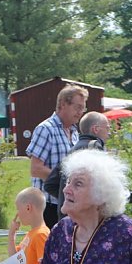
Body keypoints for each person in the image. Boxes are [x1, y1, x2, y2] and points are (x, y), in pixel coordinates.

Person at [27, 84, 88, 227]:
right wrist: (64, 183)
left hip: (66, 203)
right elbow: (36, 169)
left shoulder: (74, 133)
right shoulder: (46, 129)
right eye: (78, 107)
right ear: (62, 105)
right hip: (48, 205)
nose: (81, 112)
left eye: (83, 108)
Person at [42, 110, 110, 215]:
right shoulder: (94, 148)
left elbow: (50, 184)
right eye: (107, 128)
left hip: (66, 219)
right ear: (96, 129)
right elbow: (105, 186)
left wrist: (68, 199)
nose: (109, 133)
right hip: (84, 221)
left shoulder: (72, 151)